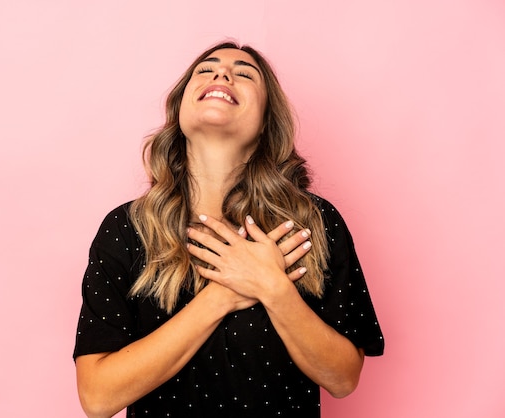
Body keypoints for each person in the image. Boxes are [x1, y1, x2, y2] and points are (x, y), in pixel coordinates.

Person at [73, 41, 384, 418]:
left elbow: (343, 378)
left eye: (245, 73)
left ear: (268, 121)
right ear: (179, 111)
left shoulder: (315, 222)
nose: (222, 74)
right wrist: (222, 294)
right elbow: (98, 397)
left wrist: (274, 289)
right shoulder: (126, 229)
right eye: (206, 70)